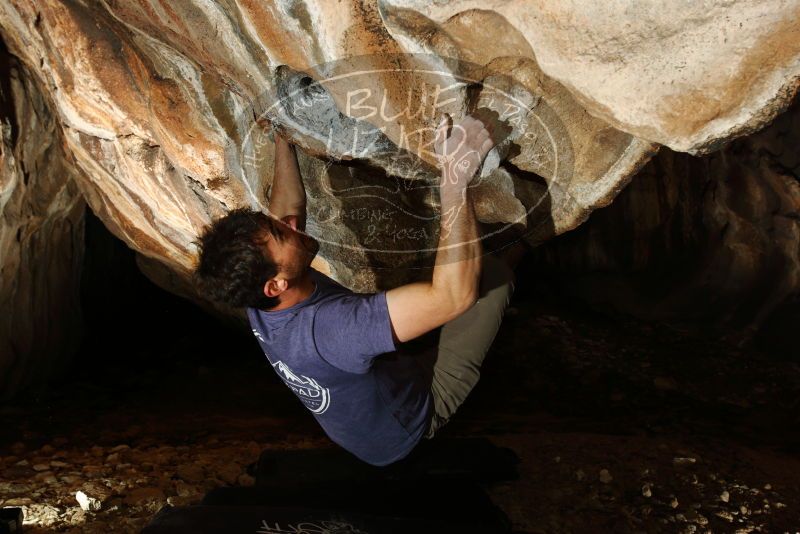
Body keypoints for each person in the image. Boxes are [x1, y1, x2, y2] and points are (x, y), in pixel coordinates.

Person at [193, 114, 524, 466]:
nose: (289, 223)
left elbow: (287, 209)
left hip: (377, 392)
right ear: (275, 284)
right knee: (491, 276)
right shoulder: (334, 330)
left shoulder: (258, 297)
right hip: (408, 423)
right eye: (282, 234)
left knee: (436, 280)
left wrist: (283, 138)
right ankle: (522, 250)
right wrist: (456, 176)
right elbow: (453, 297)